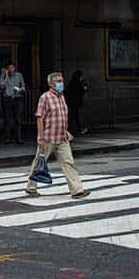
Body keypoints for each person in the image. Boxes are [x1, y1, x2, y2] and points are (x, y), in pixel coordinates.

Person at [25, 71, 89, 199]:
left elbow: (61, 117)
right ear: (50, 84)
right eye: (58, 81)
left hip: (62, 137)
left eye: (62, 81)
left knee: (69, 163)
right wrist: (41, 137)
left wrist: (66, 131)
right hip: (49, 137)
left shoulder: (61, 97)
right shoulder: (45, 97)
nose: (61, 83)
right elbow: (39, 118)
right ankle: (30, 187)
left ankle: (77, 190)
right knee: (39, 162)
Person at [0, 63, 26, 145]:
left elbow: (23, 85)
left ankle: (19, 139)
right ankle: (7, 138)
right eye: (9, 68)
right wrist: (6, 76)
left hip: (17, 98)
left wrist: (21, 89)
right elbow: (1, 86)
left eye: (12, 67)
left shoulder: (19, 75)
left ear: (14, 68)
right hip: (7, 99)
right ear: (7, 70)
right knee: (7, 119)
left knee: (18, 119)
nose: (11, 69)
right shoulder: (3, 76)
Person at [65, 70, 89, 135]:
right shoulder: (78, 83)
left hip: (71, 102)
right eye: (81, 76)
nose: (81, 78)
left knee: (74, 116)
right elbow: (81, 91)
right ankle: (78, 129)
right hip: (75, 102)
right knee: (74, 116)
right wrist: (85, 88)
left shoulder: (71, 82)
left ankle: (77, 129)